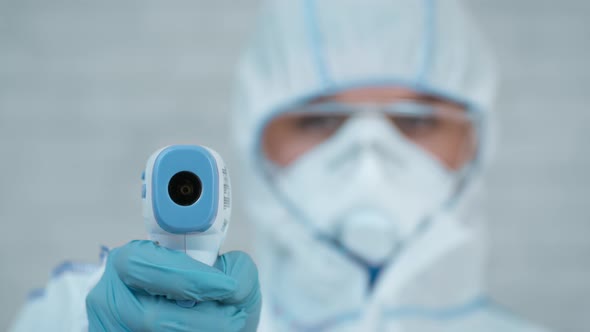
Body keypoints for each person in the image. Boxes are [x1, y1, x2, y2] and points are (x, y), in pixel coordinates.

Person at [10, 0, 550, 331]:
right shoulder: (126, 316)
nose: (368, 158)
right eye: (318, 121)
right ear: (254, 141)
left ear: (476, 141)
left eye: (414, 122)